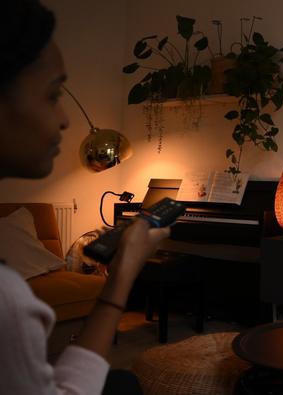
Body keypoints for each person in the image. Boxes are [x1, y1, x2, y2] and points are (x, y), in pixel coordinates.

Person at [0, 1, 170, 394]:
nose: (64, 119)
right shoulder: (7, 298)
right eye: (52, 94)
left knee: (123, 380)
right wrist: (125, 271)